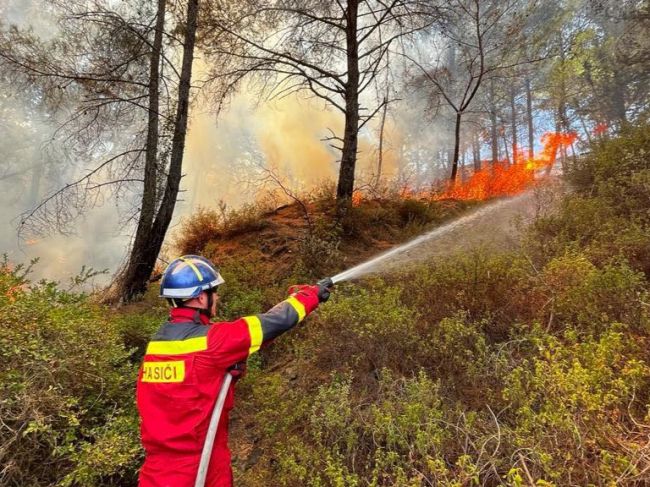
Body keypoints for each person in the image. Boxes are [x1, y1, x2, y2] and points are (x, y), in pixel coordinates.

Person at [136, 255, 331, 487]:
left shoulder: (155, 348)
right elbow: (272, 323)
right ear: (200, 298)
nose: (216, 297)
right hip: (200, 469)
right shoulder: (213, 342)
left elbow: (184, 394)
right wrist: (310, 295)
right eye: (213, 292)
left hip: (155, 474)